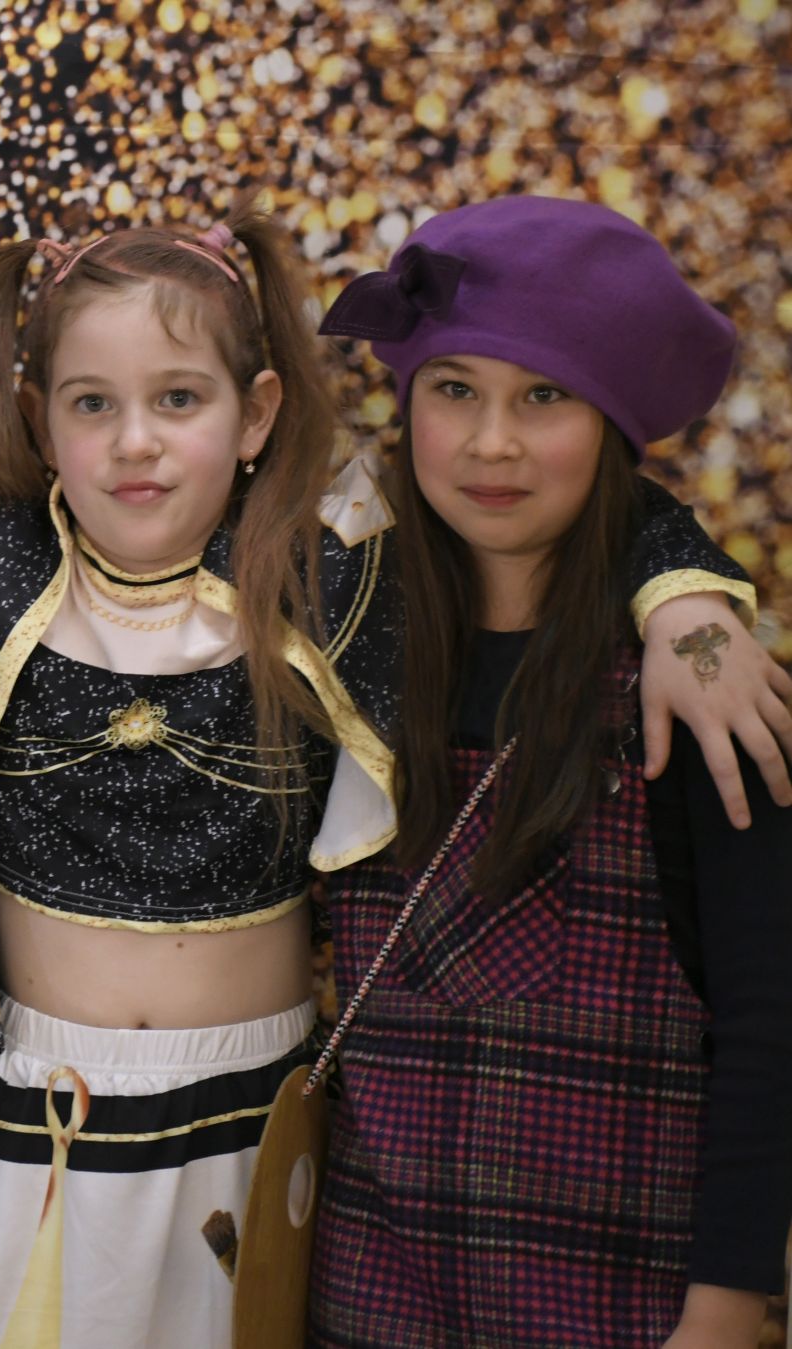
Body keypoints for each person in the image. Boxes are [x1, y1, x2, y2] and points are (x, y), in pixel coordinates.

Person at [0, 194, 781, 1348]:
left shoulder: (330, 555)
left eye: (179, 398)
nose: (135, 440)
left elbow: (576, 502)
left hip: (256, 1119)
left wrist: (682, 593)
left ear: (254, 414)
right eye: (91, 403)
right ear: (39, 414)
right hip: (34, 1112)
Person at [308, 195, 792, 1348]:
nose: (491, 443)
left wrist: (725, 1307)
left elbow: (769, 1021)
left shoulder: (698, 682)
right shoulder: (338, 641)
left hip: (617, 1307)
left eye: (543, 396)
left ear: (611, 424)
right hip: (364, 1299)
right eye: (453, 389)